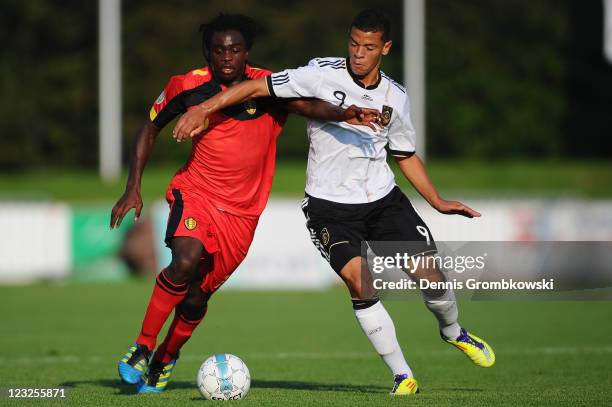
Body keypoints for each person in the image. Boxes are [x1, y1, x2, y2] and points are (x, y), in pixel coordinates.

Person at [173, 9, 495, 396]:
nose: (359, 53)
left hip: (383, 200)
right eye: (354, 43)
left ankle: (454, 331)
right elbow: (257, 88)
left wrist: (437, 200)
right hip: (329, 208)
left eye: (369, 47)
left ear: (386, 49)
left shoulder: (396, 97)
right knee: (361, 282)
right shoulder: (319, 73)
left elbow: (405, 153)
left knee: (430, 277)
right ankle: (402, 375)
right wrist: (202, 108)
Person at [110, 13, 379, 394]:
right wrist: (132, 186)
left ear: (246, 52)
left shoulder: (266, 86)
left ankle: (166, 358)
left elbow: (309, 106)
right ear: (208, 52)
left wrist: (347, 114)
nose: (227, 57)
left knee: (196, 297)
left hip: (242, 214)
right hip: (197, 193)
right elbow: (150, 126)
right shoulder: (186, 87)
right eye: (219, 50)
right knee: (183, 262)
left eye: (235, 49)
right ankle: (142, 347)